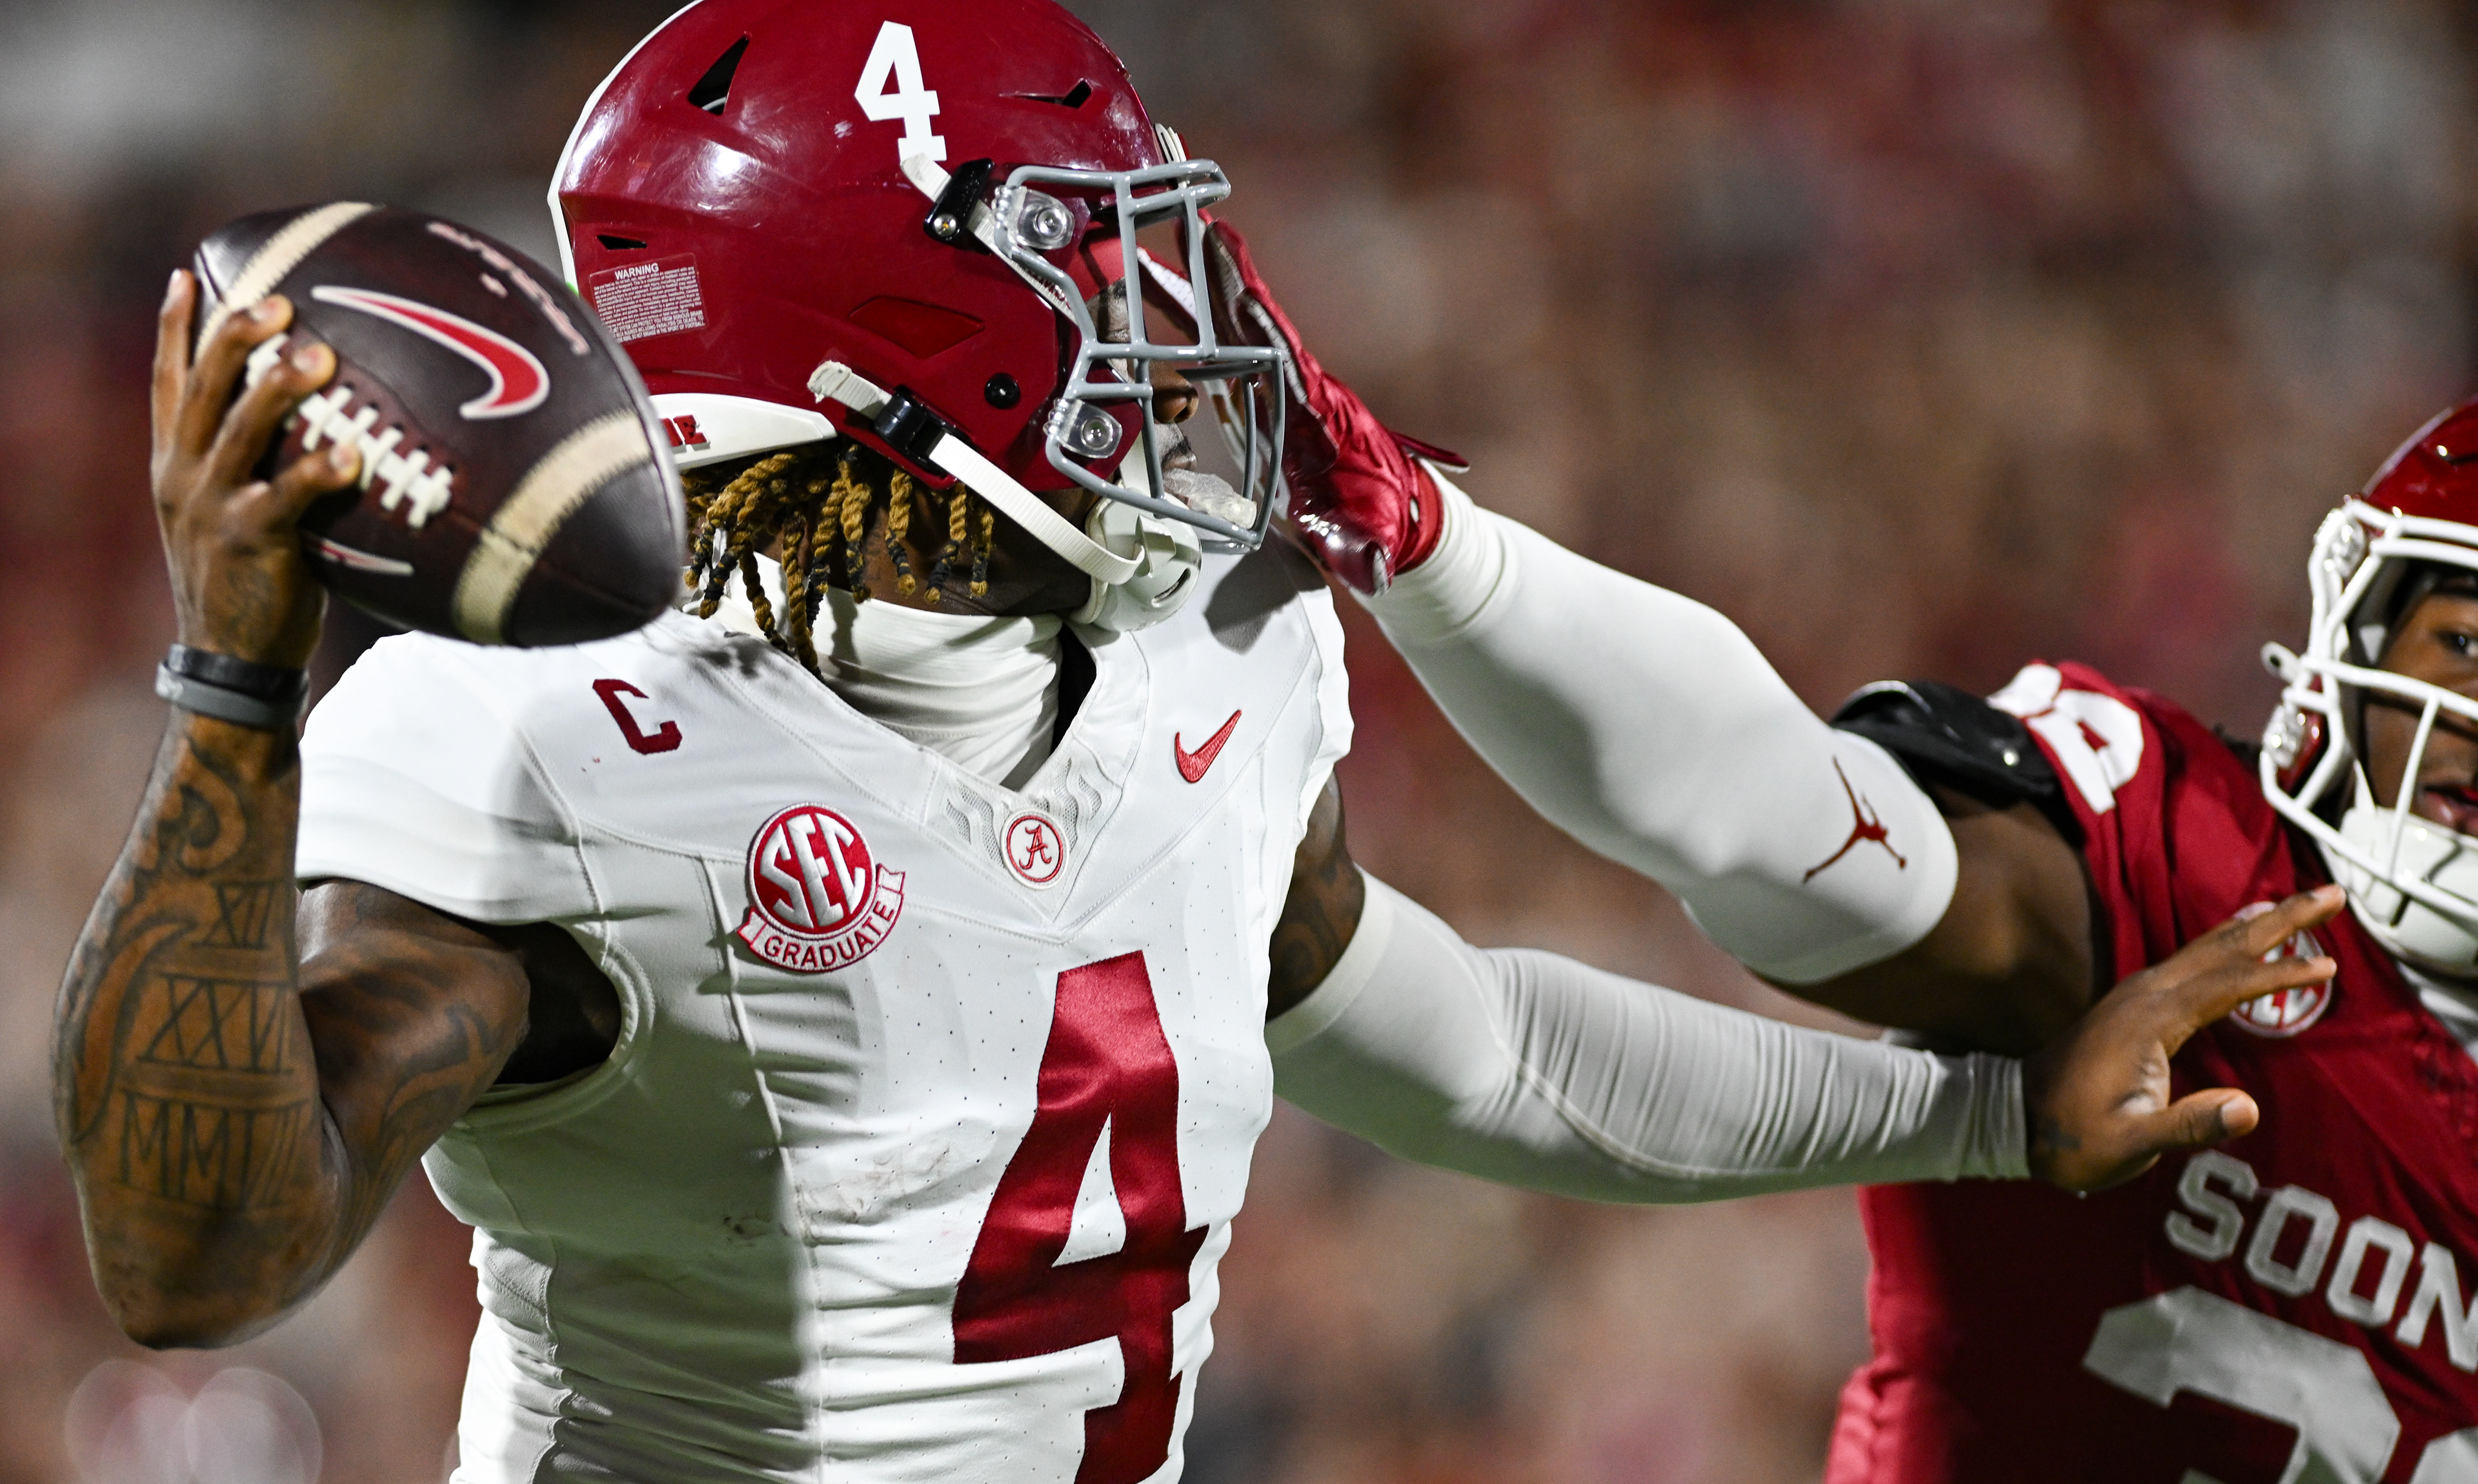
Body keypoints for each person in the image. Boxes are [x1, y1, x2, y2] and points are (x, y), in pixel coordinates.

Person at [52, 3, 2341, 1481]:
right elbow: (196, 1260)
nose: (1184, 327)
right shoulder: (552, 740)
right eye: (1092, 269)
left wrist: (1988, 1119)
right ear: (883, 355)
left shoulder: (1201, 648)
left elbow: (1478, 1053)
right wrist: (237, 696)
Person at [1207, 219, 2478, 1479]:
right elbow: (1799, 838)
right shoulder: (2201, 871)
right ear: (2359, 640)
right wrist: (1438, 550)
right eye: (2467, 643)